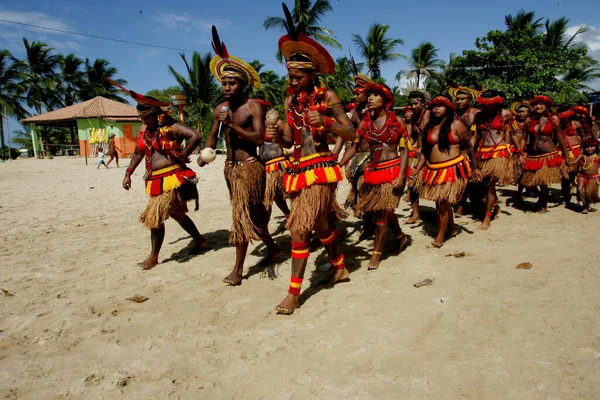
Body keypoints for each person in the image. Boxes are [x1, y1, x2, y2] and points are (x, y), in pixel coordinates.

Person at [266, 7, 356, 314]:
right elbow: (291, 140)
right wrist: (276, 135)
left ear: (312, 75)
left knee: (299, 229)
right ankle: (340, 266)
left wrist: (328, 123)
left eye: (297, 76)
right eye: (289, 75)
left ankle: (293, 294)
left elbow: (353, 133)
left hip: (321, 169)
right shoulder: (290, 100)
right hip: (297, 169)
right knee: (319, 225)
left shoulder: (328, 97)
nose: (292, 81)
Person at [198, 26, 281, 286]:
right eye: (223, 82)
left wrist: (232, 125)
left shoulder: (251, 106)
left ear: (243, 85)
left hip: (249, 167)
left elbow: (258, 138)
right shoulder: (220, 108)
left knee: (241, 216)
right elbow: (213, 134)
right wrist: (205, 153)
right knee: (255, 216)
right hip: (229, 168)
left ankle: (238, 269)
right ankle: (275, 249)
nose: (226, 87)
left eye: (232, 83)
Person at [109, 80, 206, 270]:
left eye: (146, 118)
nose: (143, 122)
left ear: (156, 115)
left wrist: (183, 156)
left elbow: (196, 136)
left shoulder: (171, 126)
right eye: (142, 118)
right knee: (177, 213)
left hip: (171, 178)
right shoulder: (145, 130)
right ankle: (200, 240)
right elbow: (138, 153)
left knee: (155, 217)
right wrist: (128, 173)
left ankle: (153, 256)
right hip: (155, 179)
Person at [339, 83, 409, 269]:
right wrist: (339, 163)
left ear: (386, 100)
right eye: (368, 95)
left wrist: (402, 176)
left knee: (381, 214)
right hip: (373, 172)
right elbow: (354, 147)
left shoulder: (397, 121)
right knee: (384, 209)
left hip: (393, 170)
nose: (369, 98)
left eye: (375, 95)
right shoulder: (365, 123)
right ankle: (401, 238)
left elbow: (404, 149)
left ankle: (376, 254)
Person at [410, 96, 482, 247]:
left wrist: (475, 167)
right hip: (433, 169)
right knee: (441, 202)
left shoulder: (457, 124)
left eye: (440, 106)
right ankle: (452, 229)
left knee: (442, 203)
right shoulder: (429, 126)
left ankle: (440, 235)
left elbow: (469, 147)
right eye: (434, 106)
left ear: (448, 109)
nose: (436, 109)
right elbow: (424, 151)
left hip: (452, 168)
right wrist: (417, 168)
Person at [332, 60, 374, 240]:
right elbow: (343, 132)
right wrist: (336, 153)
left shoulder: (375, 112)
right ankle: (369, 223)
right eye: (354, 94)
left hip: (373, 158)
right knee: (359, 192)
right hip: (356, 157)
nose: (355, 96)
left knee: (367, 192)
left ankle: (371, 225)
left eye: (359, 94)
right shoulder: (354, 113)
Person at [472, 90, 517, 229]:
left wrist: (517, 151)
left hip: (499, 154)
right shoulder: (478, 116)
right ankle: (494, 206)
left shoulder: (506, 114)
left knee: (490, 186)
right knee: (482, 185)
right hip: (482, 154)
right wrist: (470, 152)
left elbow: (511, 133)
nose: (488, 107)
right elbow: (475, 136)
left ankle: (487, 217)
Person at [519, 95, 568, 214]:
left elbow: (560, 137)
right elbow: (524, 138)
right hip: (532, 155)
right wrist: (520, 153)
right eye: (536, 104)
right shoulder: (529, 120)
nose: (538, 106)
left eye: (541, 104)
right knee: (529, 182)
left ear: (547, 106)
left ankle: (543, 204)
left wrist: (566, 155)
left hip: (548, 154)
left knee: (543, 182)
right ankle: (541, 200)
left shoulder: (554, 119)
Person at [448, 85, 481, 217]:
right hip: (456, 150)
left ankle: (468, 205)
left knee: (471, 180)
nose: (459, 101)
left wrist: (468, 152)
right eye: (457, 99)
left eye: (462, 99)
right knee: (459, 179)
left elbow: (474, 135)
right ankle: (461, 204)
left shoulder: (475, 113)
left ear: (469, 99)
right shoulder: (453, 113)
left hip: (472, 150)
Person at [405, 90, 430, 225]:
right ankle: (416, 214)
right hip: (419, 155)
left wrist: (423, 148)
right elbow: (416, 136)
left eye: (416, 103)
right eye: (411, 104)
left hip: (432, 155)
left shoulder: (429, 115)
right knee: (413, 184)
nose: (413, 107)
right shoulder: (415, 118)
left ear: (422, 103)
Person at [508, 101, 533, 203]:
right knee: (518, 172)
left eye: (523, 111)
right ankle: (520, 192)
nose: (521, 114)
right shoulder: (513, 123)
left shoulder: (531, 123)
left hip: (528, 151)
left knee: (525, 172)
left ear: (529, 112)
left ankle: (527, 190)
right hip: (515, 151)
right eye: (519, 112)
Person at [568, 137, 600, 214]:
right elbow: (575, 161)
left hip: (593, 178)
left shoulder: (598, 156)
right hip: (582, 177)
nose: (589, 149)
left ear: (596, 147)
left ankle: (587, 205)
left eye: (592, 147)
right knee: (582, 192)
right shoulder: (582, 156)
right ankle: (585, 206)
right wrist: (569, 163)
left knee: (589, 192)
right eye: (587, 147)